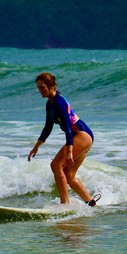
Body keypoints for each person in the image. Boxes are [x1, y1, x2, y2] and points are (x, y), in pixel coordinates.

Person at [28, 72, 100, 206]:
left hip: (81, 134)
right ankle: (91, 203)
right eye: (38, 88)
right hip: (84, 136)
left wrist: (70, 151)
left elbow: (67, 127)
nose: (39, 91)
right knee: (69, 174)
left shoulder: (59, 103)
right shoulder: (50, 104)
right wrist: (36, 146)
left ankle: (65, 204)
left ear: (51, 86)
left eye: (42, 87)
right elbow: (47, 128)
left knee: (56, 165)